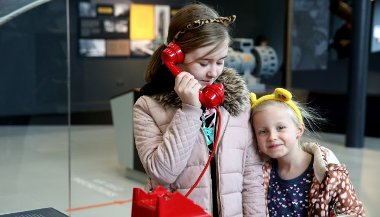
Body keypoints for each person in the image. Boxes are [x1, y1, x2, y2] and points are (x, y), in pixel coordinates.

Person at [133, 2, 265, 216]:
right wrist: (190, 110)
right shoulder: (149, 106)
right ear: (174, 57)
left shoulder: (238, 102)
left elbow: (251, 175)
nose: (213, 72)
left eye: (220, 61)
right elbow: (161, 173)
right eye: (203, 63)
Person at [250, 88, 366, 216]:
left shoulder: (330, 174)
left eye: (280, 128)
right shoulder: (258, 175)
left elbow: (354, 212)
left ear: (299, 130)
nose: (272, 137)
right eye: (263, 131)